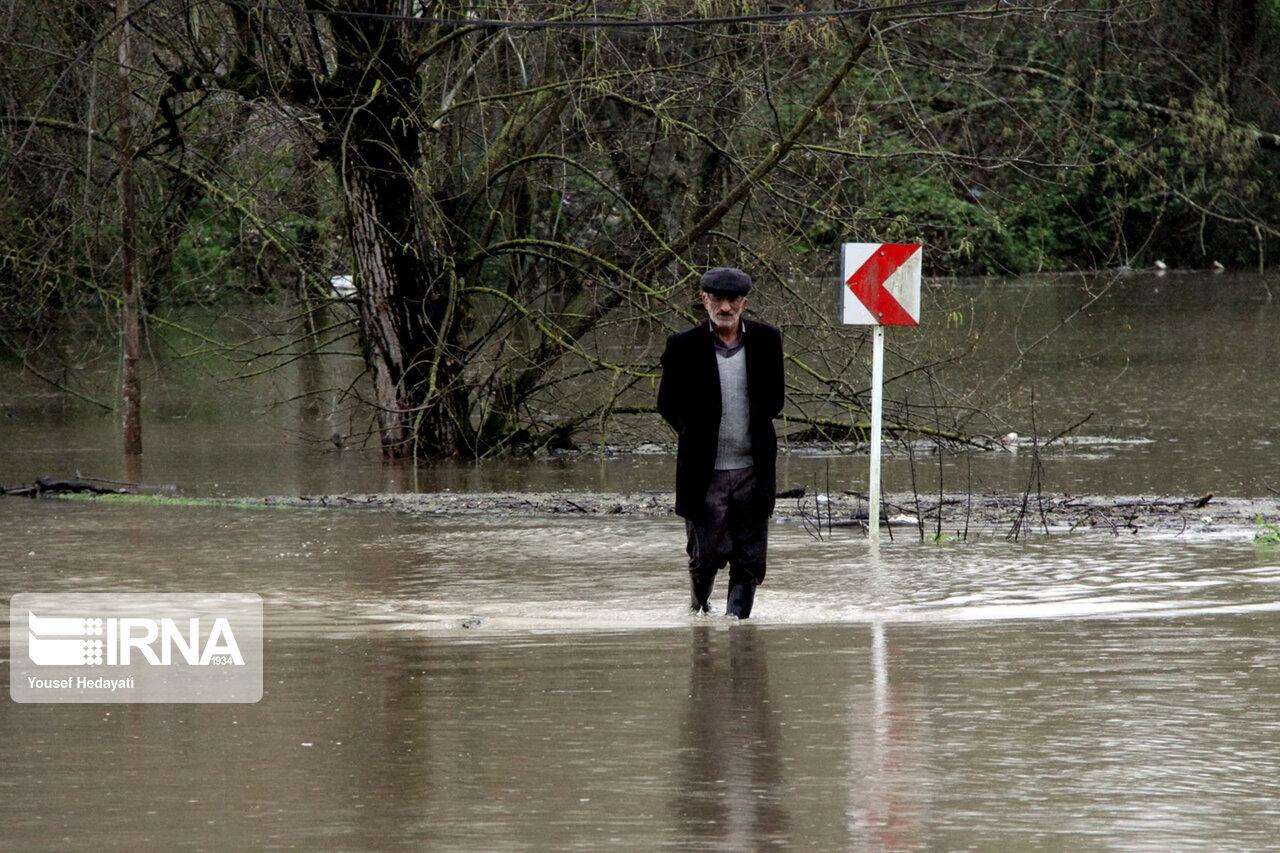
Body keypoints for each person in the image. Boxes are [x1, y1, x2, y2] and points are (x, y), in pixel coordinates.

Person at [657, 267, 784, 619]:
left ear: (745, 302)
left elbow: (775, 402)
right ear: (704, 300)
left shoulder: (768, 340)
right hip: (705, 471)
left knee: (750, 558)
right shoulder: (682, 346)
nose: (725, 308)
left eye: (733, 300)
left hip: (752, 468)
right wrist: (692, 433)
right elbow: (666, 403)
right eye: (718, 300)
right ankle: (699, 607)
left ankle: (737, 628)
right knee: (706, 555)